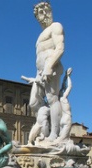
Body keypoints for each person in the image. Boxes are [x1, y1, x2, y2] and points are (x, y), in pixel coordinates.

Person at [22, 2, 64, 141]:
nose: (42, 16)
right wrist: (37, 75)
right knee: (33, 102)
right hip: (40, 72)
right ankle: (44, 128)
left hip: (51, 67)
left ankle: (54, 134)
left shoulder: (56, 26)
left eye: (45, 11)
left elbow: (60, 48)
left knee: (53, 98)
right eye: (39, 14)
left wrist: (49, 66)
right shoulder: (41, 35)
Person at [56, 68, 73, 142]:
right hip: (67, 119)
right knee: (64, 140)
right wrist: (68, 76)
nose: (63, 91)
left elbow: (63, 86)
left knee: (61, 138)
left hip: (61, 120)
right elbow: (69, 87)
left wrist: (65, 77)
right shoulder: (63, 98)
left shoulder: (58, 100)